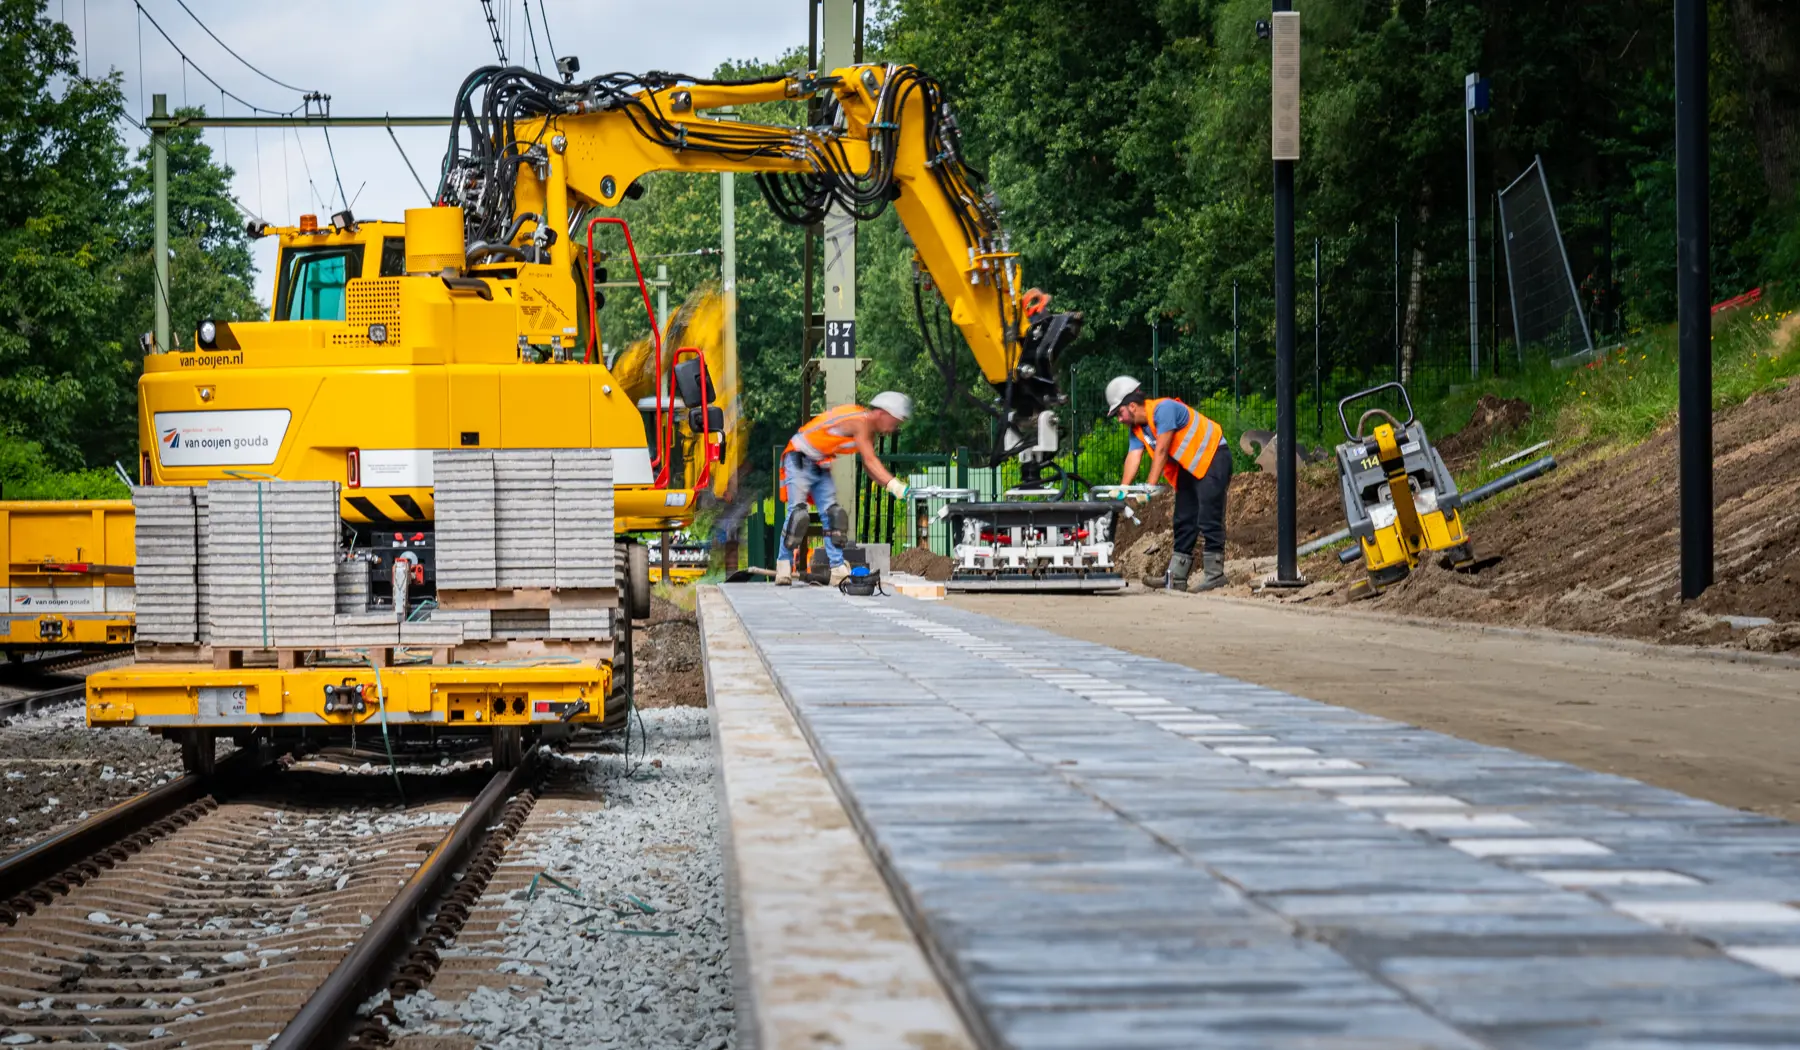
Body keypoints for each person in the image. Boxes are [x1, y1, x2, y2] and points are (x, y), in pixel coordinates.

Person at [1106, 375, 1231, 592]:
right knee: (1183, 518)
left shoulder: (1163, 410)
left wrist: (1148, 487)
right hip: (1190, 467)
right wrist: (1123, 489)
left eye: (1119, 412)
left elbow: (1162, 450)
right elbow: (1133, 456)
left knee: (1208, 516)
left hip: (1213, 457)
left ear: (1132, 406)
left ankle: (1215, 575)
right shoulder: (1138, 429)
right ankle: (1176, 577)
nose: (1119, 418)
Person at [775, 392, 914, 586]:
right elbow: (871, 461)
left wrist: (891, 487)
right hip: (800, 456)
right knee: (797, 514)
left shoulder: (868, 433)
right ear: (883, 413)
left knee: (834, 516)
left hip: (820, 463)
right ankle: (783, 567)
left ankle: (838, 570)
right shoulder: (860, 421)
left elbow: (869, 467)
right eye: (895, 422)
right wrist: (896, 485)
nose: (894, 428)